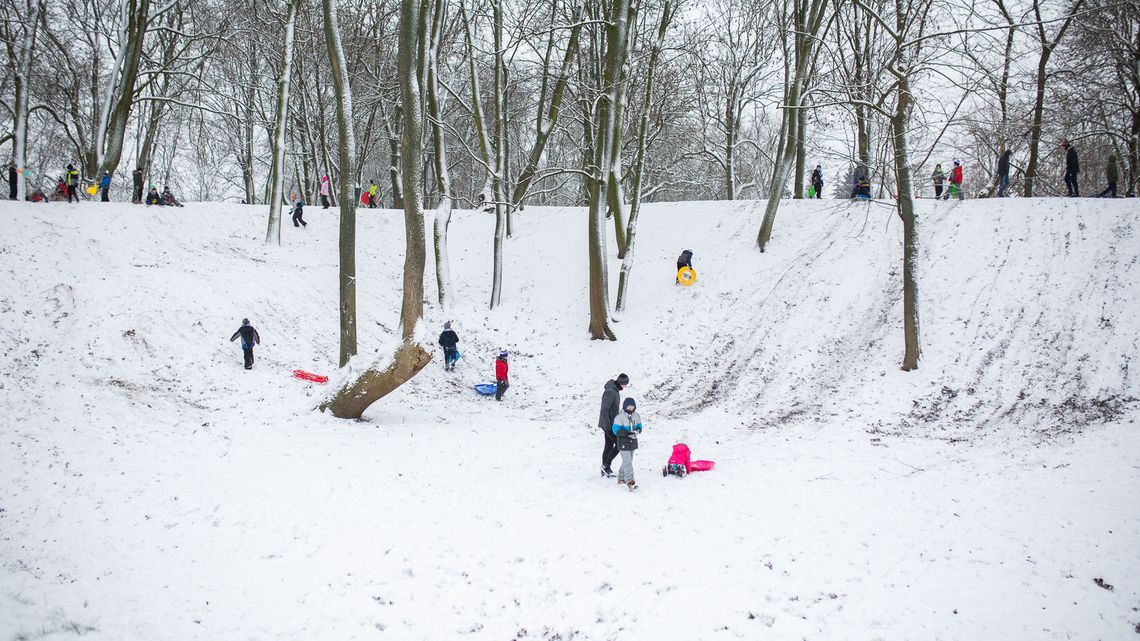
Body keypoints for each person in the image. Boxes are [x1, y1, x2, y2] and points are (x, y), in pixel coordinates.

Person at [597, 373, 630, 478]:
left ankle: (604, 469)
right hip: (608, 424)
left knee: (608, 446)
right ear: (621, 383)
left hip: (612, 423)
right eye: (625, 384)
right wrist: (607, 425)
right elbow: (604, 410)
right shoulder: (610, 392)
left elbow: (613, 409)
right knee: (620, 444)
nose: (625, 386)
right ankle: (606, 466)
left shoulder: (615, 391)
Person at [612, 397, 643, 491]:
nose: (630, 409)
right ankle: (630, 481)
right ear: (625, 406)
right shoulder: (619, 417)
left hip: (632, 441)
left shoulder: (636, 416)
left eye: (632, 407)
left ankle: (621, 477)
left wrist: (638, 430)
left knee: (628, 460)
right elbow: (615, 430)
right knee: (628, 461)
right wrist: (626, 433)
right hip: (623, 441)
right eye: (628, 407)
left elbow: (639, 426)